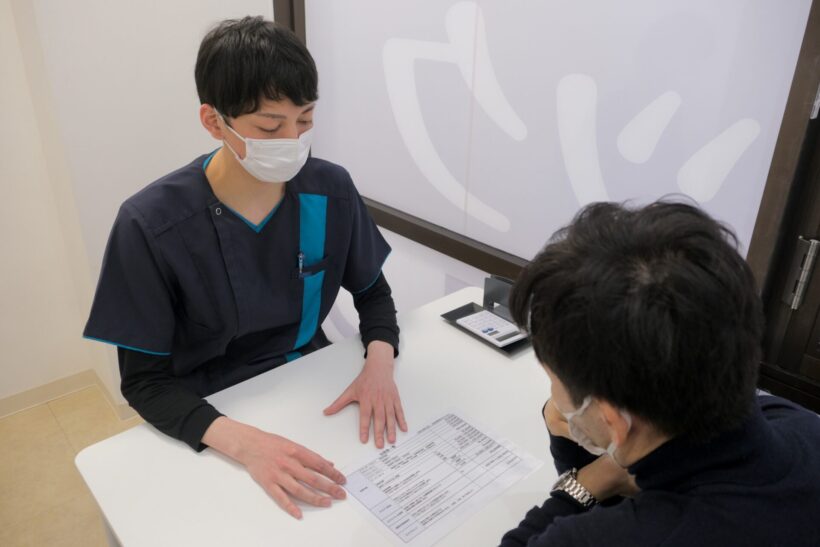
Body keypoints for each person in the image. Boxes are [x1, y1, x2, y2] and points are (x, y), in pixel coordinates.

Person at [83, 16, 407, 519]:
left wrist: (379, 365)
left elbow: (373, 293)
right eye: (270, 127)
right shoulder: (151, 224)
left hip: (310, 383)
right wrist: (247, 445)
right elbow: (145, 383)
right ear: (214, 121)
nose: (293, 140)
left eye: (305, 120)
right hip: (206, 411)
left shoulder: (329, 190)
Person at [500, 201, 820, 546]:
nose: (555, 398)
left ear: (614, 420)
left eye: (554, 380)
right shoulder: (801, 424)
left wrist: (585, 485)